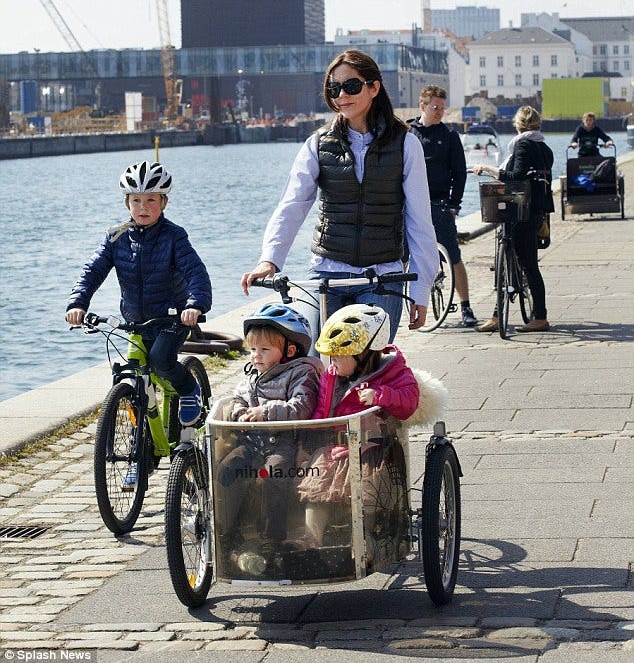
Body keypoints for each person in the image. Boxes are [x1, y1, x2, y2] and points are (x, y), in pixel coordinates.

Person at [241, 49, 438, 344]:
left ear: (374, 88)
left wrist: (420, 290)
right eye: (334, 88)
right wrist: (269, 260)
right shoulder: (317, 144)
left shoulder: (406, 144)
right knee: (328, 370)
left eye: (351, 86)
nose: (341, 95)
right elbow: (291, 207)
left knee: (371, 369)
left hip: (382, 277)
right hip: (328, 276)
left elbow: (419, 220)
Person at [66, 161, 212, 487]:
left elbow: (195, 273)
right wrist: (78, 302)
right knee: (131, 381)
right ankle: (140, 454)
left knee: (161, 361)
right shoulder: (116, 237)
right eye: (135, 200)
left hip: (173, 317)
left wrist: (195, 305)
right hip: (136, 322)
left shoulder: (175, 237)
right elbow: (93, 270)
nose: (142, 207)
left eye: (150, 200)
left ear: (163, 202)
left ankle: (189, 389)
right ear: (126, 203)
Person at [293, 304, 447, 548]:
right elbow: (321, 412)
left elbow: (408, 402)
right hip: (334, 449)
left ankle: (364, 544)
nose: (333, 361)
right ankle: (311, 538)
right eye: (331, 355)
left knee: (366, 493)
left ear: (365, 353)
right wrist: (306, 442)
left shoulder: (394, 372)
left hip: (372, 448)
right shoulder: (332, 376)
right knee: (316, 490)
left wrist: (381, 395)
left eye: (339, 355)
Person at [216, 303, 323, 574]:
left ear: (289, 350)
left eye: (264, 350)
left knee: (271, 476)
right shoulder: (252, 373)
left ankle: (271, 539)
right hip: (251, 442)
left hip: (283, 441)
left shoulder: (301, 371)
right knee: (224, 472)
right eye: (252, 349)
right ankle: (229, 531)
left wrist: (265, 412)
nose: (256, 356)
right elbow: (239, 396)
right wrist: (240, 411)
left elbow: (303, 406)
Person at [473, 106, 554, 333]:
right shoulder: (544, 147)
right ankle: (499, 315)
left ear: (517, 124)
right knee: (526, 264)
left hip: (519, 213)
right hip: (536, 212)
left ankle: (540, 317)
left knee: (527, 265)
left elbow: (516, 177)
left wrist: (489, 169)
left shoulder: (523, 144)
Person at [408, 85, 478, 327]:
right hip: (409, 205)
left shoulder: (449, 136)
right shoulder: (407, 132)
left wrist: (454, 204)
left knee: (453, 255)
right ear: (423, 106)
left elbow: (459, 173)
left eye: (442, 108)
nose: (439, 112)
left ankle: (466, 306)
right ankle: (408, 305)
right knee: (403, 257)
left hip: (439, 204)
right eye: (434, 107)